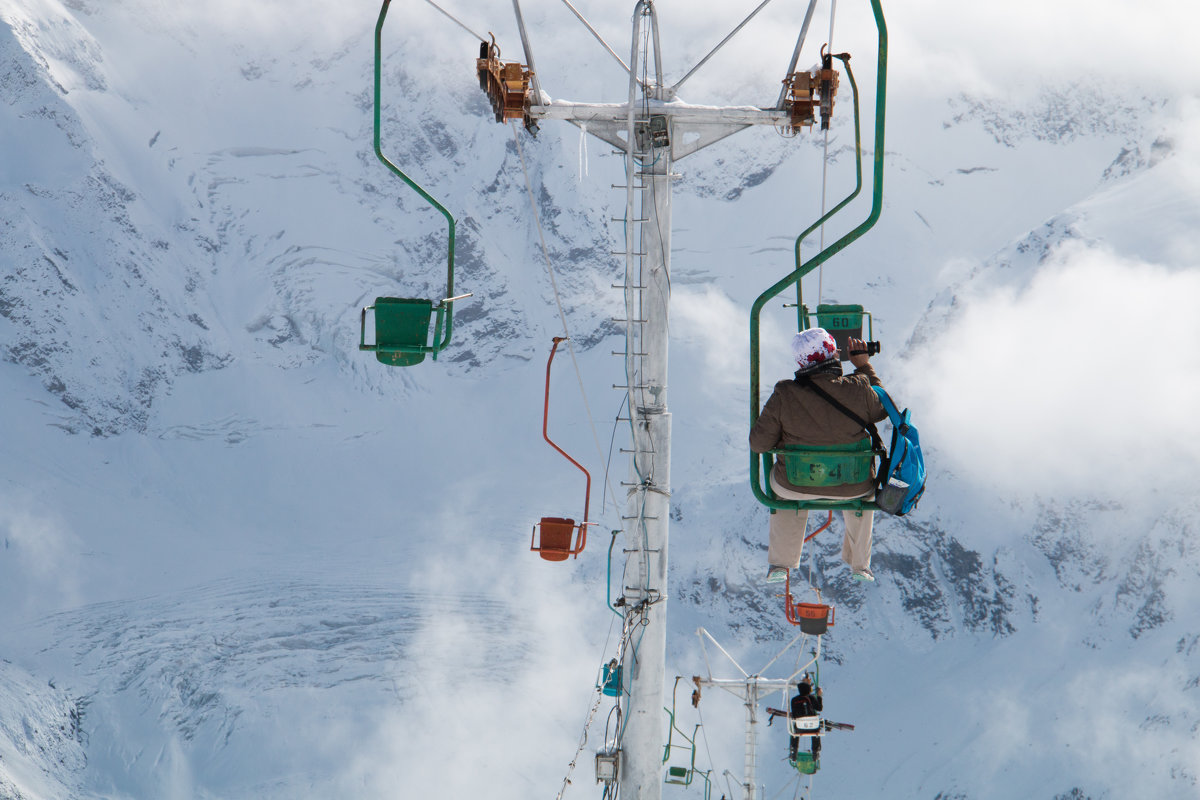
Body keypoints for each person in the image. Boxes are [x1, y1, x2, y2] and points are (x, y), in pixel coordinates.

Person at [749, 328, 886, 583]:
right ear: (833, 353)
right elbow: (881, 409)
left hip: (796, 484)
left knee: (782, 488)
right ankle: (860, 564)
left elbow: (758, 444)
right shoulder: (858, 387)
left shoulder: (784, 394)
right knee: (865, 494)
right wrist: (864, 367)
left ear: (800, 362)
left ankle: (781, 562)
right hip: (852, 486)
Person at [788, 679, 824, 762]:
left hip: (799, 727)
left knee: (794, 732)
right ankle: (815, 752)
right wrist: (819, 696)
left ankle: (794, 751)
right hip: (813, 727)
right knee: (816, 733)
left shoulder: (794, 700)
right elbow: (819, 708)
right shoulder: (811, 698)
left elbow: (793, 714)